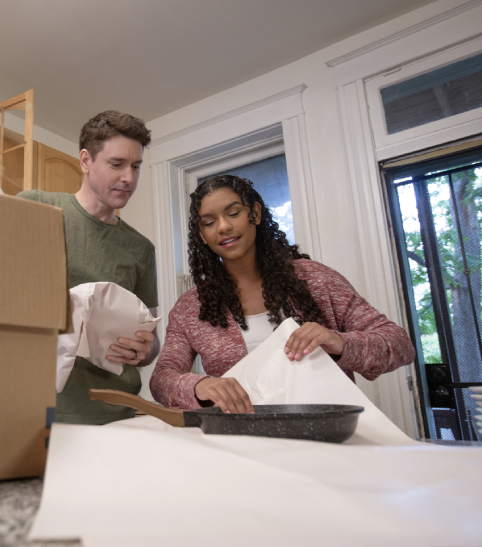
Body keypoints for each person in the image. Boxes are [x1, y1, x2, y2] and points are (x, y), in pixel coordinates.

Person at [150, 175, 415, 414]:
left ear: (254, 213)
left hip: (327, 438)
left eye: (233, 213)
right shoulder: (190, 307)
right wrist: (199, 386)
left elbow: (399, 345)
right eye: (209, 222)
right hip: (242, 443)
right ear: (202, 235)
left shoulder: (315, 280)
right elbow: (162, 379)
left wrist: (339, 343)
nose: (222, 227)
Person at [18, 110, 159, 425]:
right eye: (117, 164)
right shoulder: (36, 206)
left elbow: (152, 343)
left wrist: (143, 350)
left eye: (136, 166)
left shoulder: (141, 248)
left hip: (117, 415)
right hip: (37, 412)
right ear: (85, 161)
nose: (129, 178)